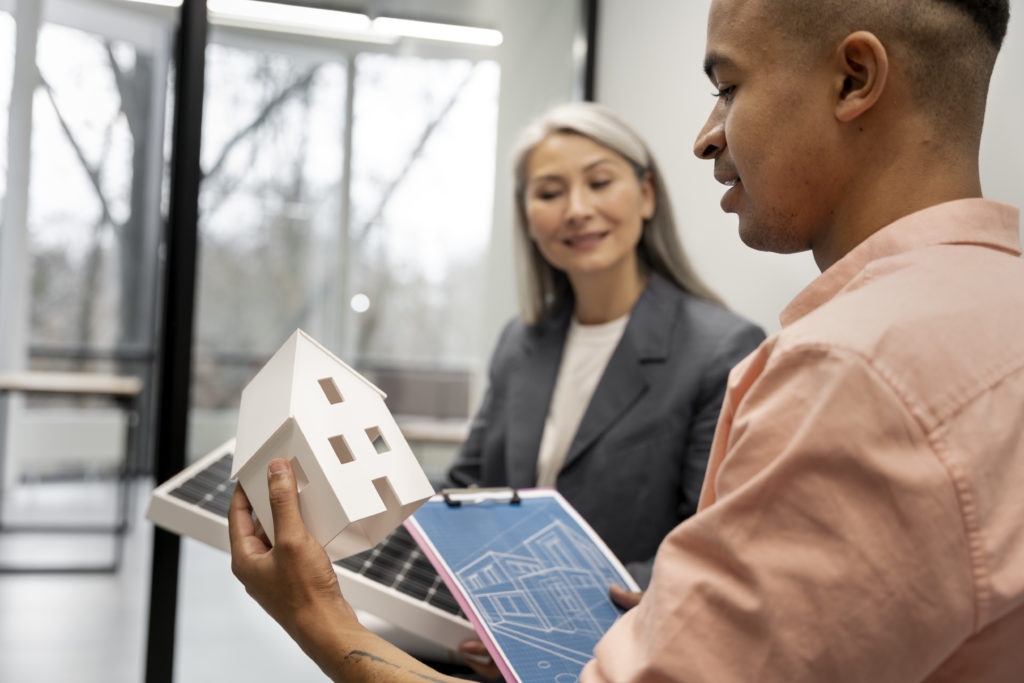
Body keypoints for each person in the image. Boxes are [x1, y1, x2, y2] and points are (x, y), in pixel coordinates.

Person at [228, 0, 1024, 680]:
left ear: (854, 79)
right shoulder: (991, 311)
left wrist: (321, 619)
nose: (706, 138)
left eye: (729, 88)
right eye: (548, 191)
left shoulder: (841, 372)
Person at [442, 101, 764, 592]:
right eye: (550, 193)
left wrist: (552, 608)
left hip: (627, 632)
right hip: (486, 622)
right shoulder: (519, 342)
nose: (577, 210)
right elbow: (463, 491)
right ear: (527, 215)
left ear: (646, 195)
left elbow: (709, 545)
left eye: (599, 182)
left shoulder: (720, 350)